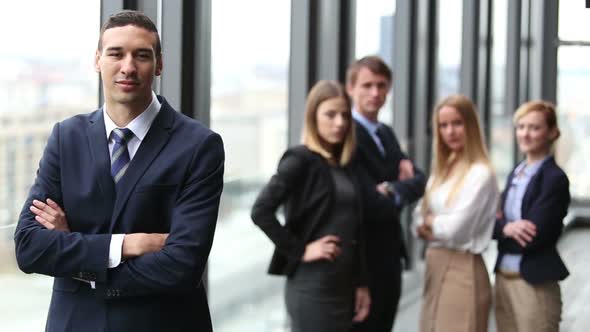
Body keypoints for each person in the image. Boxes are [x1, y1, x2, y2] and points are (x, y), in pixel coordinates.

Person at [14, 10, 224, 332]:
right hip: (75, 323)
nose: (128, 67)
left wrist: (77, 257)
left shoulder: (199, 145)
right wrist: (127, 245)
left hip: (164, 323)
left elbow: (182, 265)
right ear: (98, 60)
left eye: (141, 55)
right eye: (116, 54)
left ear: (159, 64)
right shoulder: (65, 137)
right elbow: (29, 247)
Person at [251, 80, 396, 332]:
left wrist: (361, 283)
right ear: (313, 117)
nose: (339, 122)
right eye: (330, 114)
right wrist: (301, 250)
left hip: (344, 286)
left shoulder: (344, 164)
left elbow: (355, 229)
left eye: (344, 115)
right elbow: (261, 211)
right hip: (313, 287)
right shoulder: (300, 159)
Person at [346, 55, 426, 332]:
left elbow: (420, 179)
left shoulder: (387, 134)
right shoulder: (345, 135)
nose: (375, 93)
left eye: (381, 85)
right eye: (367, 85)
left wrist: (390, 189)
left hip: (391, 255)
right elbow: (369, 202)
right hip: (362, 261)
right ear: (350, 88)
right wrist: (398, 188)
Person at [412, 94, 498, 332]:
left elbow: (457, 230)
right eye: (443, 125)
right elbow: (417, 219)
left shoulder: (480, 174)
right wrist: (430, 223)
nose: (450, 132)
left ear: (470, 125)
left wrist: (431, 222)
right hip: (435, 265)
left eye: (457, 123)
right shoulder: (443, 169)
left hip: (464, 270)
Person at [493, 100, 570, 332]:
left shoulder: (554, 179)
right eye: (521, 127)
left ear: (552, 133)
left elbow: (534, 237)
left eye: (534, 128)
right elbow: (488, 225)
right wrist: (507, 228)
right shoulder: (515, 173)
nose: (525, 134)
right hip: (503, 280)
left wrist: (500, 226)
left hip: (534, 284)